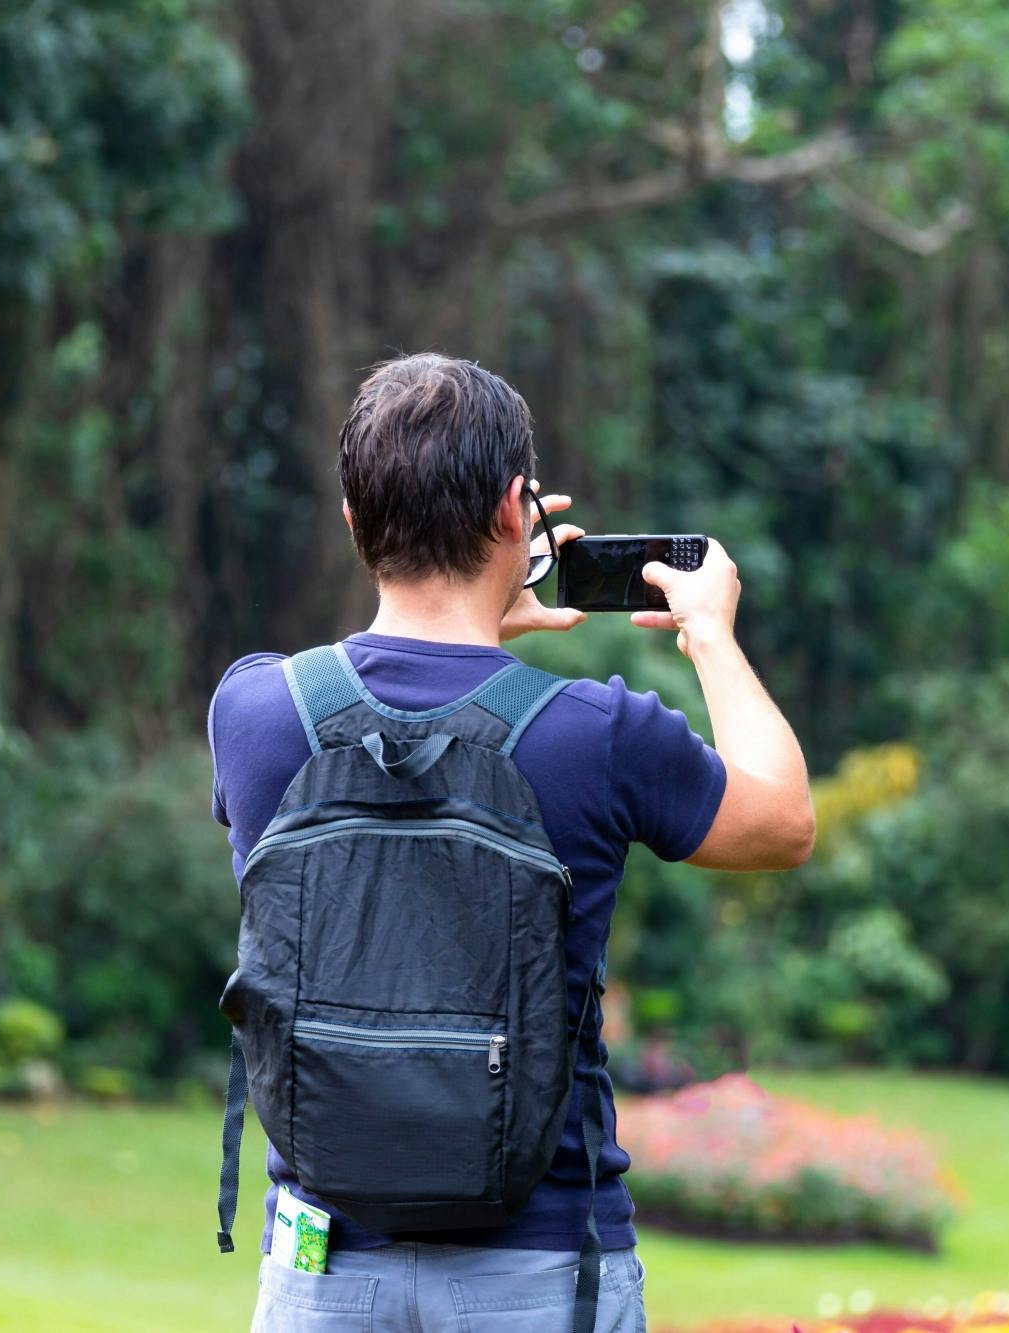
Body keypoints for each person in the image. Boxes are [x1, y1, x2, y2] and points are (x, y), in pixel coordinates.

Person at [207, 353, 814, 1331]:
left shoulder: (253, 710)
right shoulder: (596, 733)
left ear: (355, 522)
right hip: (538, 1265)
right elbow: (781, 821)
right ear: (512, 513)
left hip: (322, 1265)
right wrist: (709, 633)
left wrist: (479, 621)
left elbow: (369, 712)